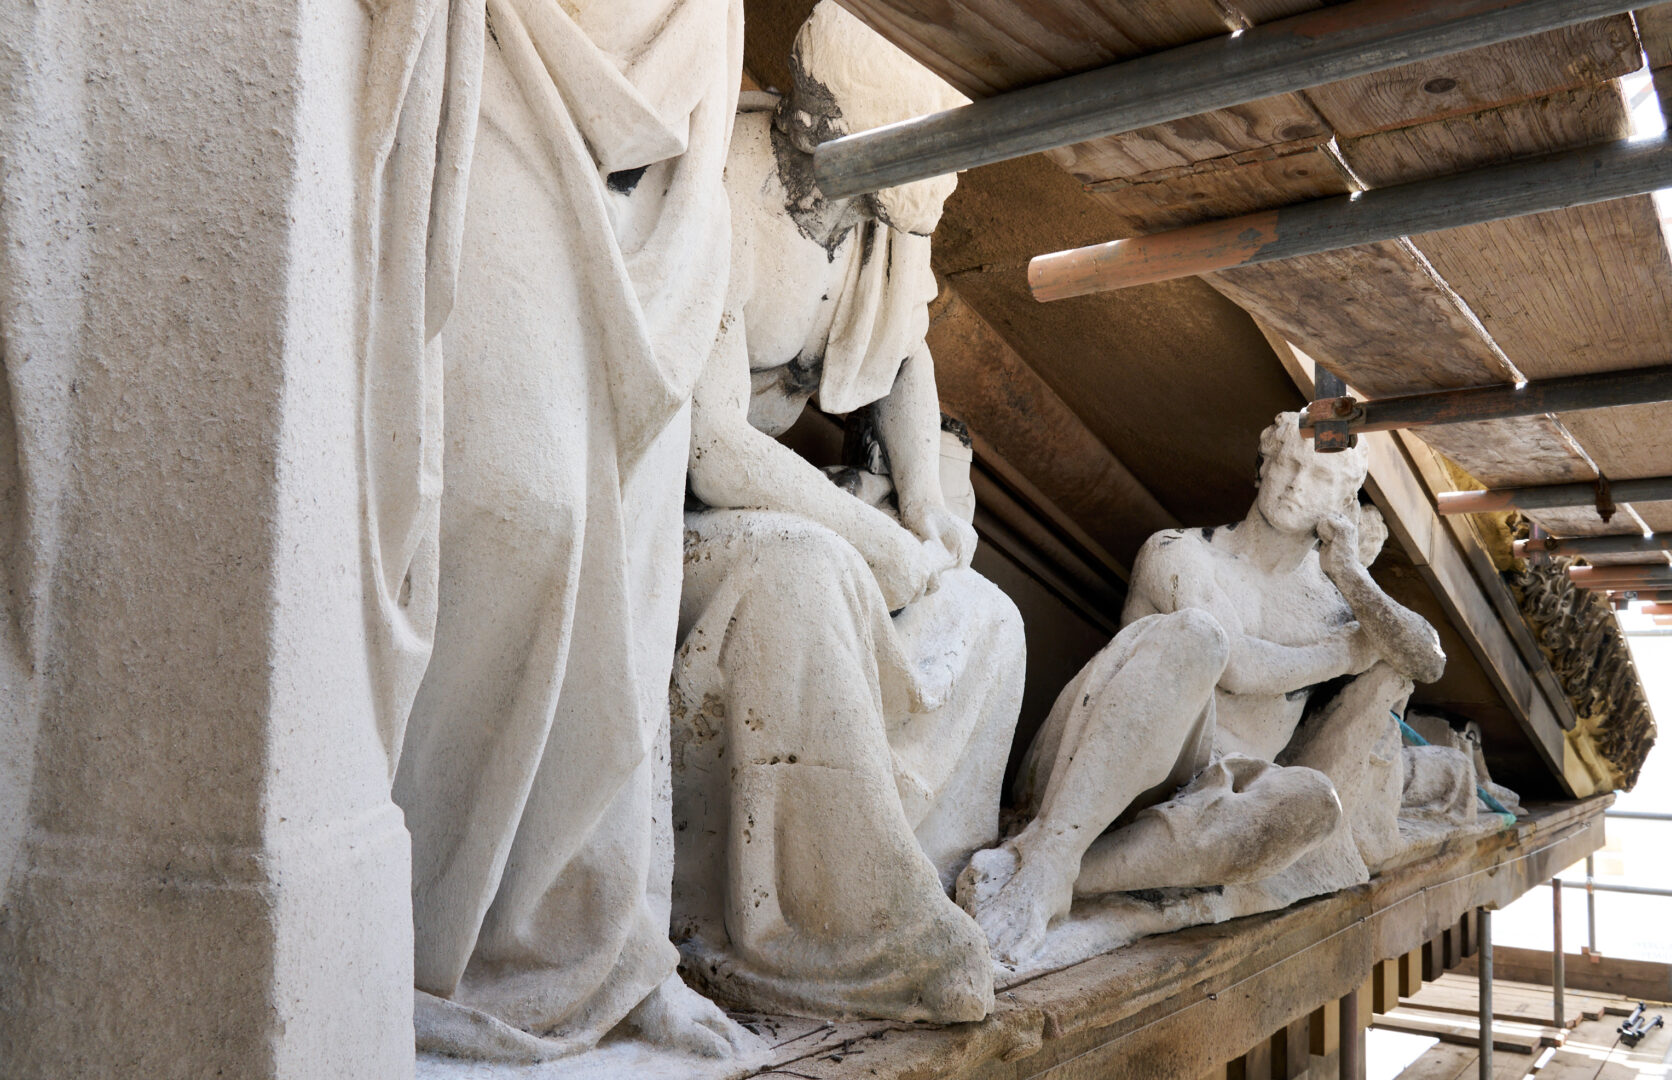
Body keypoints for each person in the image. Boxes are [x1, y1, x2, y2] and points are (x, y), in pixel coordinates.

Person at [376, 0, 750, 1061]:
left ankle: (600, 947)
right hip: (506, 58)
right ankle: (403, 933)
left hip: (675, 150)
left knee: (626, 582)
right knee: (519, 503)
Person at [666, 1, 1026, 1022]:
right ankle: (826, 928)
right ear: (816, 128)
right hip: (667, 523)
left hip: (777, 513)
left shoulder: (879, 215)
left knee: (989, 617)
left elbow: (904, 352)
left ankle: (904, 866)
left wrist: (925, 507)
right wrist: (873, 540)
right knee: (803, 566)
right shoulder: (724, 184)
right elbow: (711, 447)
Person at [959, 412, 1449, 966]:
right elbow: (1237, 665)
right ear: (1262, 465)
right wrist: (1349, 651)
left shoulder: (1334, 604)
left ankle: (1067, 878)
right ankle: (1051, 854)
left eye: (1316, 478)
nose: (1292, 483)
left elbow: (1427, 659)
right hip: (1099, 777)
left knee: (1314, 804)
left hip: (1206, 812)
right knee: (1199, 636)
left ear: (1342, 504)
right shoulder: (1179, 552)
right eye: (1285, 463)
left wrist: (1355, 579)